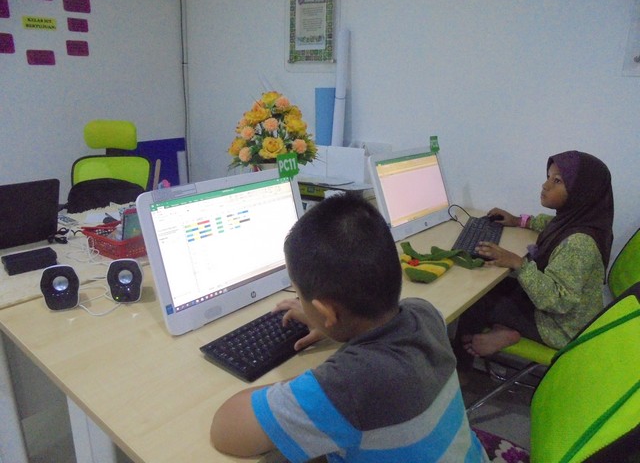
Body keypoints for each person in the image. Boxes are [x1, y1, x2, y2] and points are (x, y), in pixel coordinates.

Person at [211, 193, 488, 462]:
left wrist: (312, 382)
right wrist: (330, 325)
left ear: (326, 312)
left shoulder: (346, 387)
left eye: (298, 293)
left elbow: (225, 431)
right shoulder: (425, 313)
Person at [456, 150, 614, 360]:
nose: (545, 185)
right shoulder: (579, 221)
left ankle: (463, 364)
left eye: (557, 181)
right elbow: (550, 224)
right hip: (559, 312)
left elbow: (558, 301)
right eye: (548, 177)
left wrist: (518, 263)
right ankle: (502, 329)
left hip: (561, 327)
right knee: (493, 288)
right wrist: (518, 221)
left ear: (582, 192)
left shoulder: (579, 244)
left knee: (475, 299)